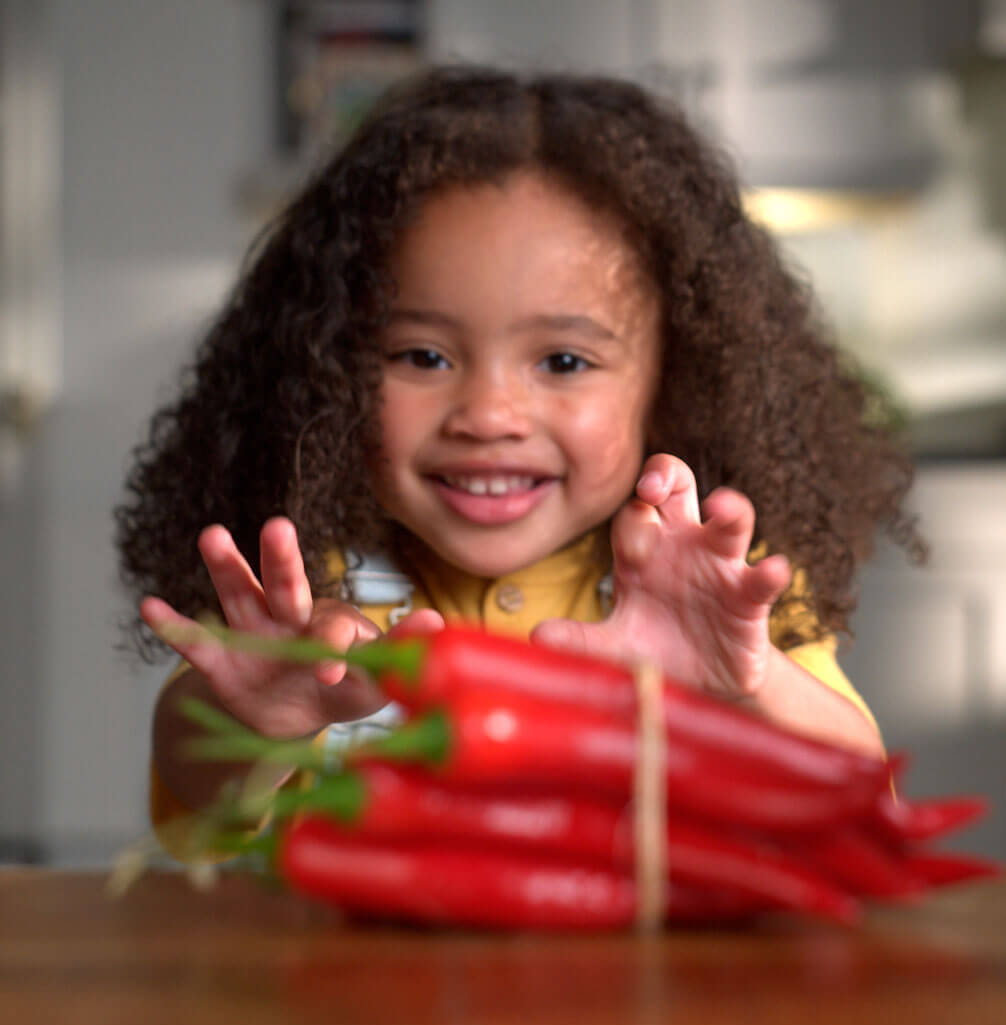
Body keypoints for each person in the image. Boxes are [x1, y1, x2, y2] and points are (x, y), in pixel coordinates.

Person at [114, 65, 923, 842]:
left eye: (563, 363)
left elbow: (863, 800)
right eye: (422, 357)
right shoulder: (310, 590)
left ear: (672, 385)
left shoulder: (716, 599)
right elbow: (194, 801)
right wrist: (250, 718)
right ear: (326, 371)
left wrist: (751, 689)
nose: (489, 415)